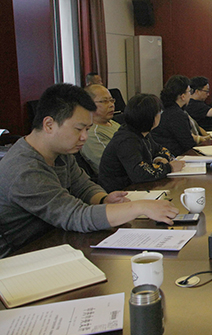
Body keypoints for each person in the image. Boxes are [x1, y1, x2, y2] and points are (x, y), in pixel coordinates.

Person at [0, 84, 178, 258]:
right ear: (49, 125)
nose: (84, 137)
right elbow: (75, 216)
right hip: (24, 256)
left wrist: (103, 199)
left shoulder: (61, 152)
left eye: (87, 129)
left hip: (57, 240)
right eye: (79, 129)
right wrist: (139, 207)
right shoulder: (24, 169)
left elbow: (83, 186)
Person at [99, 94, 185, 192]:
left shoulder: (142, 133)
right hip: (120, 192)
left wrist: (159, 158)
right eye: (159, 112)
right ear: (150, 117)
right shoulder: (126, 140)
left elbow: (162, 150)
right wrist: (169, 167)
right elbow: (140, 174)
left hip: (137, 188)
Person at [151, 75, 208, 156]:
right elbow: (188, 145)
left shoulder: (163, 109)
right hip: (174, 156)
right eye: (189, 91)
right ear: (182, 96)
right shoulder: (177, 115)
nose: (190, 94)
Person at [81, 84, 120, 174]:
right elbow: (111, 166)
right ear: (89, 104)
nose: (111, 105)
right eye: (104, 101)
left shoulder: (112, 123)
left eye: (111, 100)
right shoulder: (92, 134)